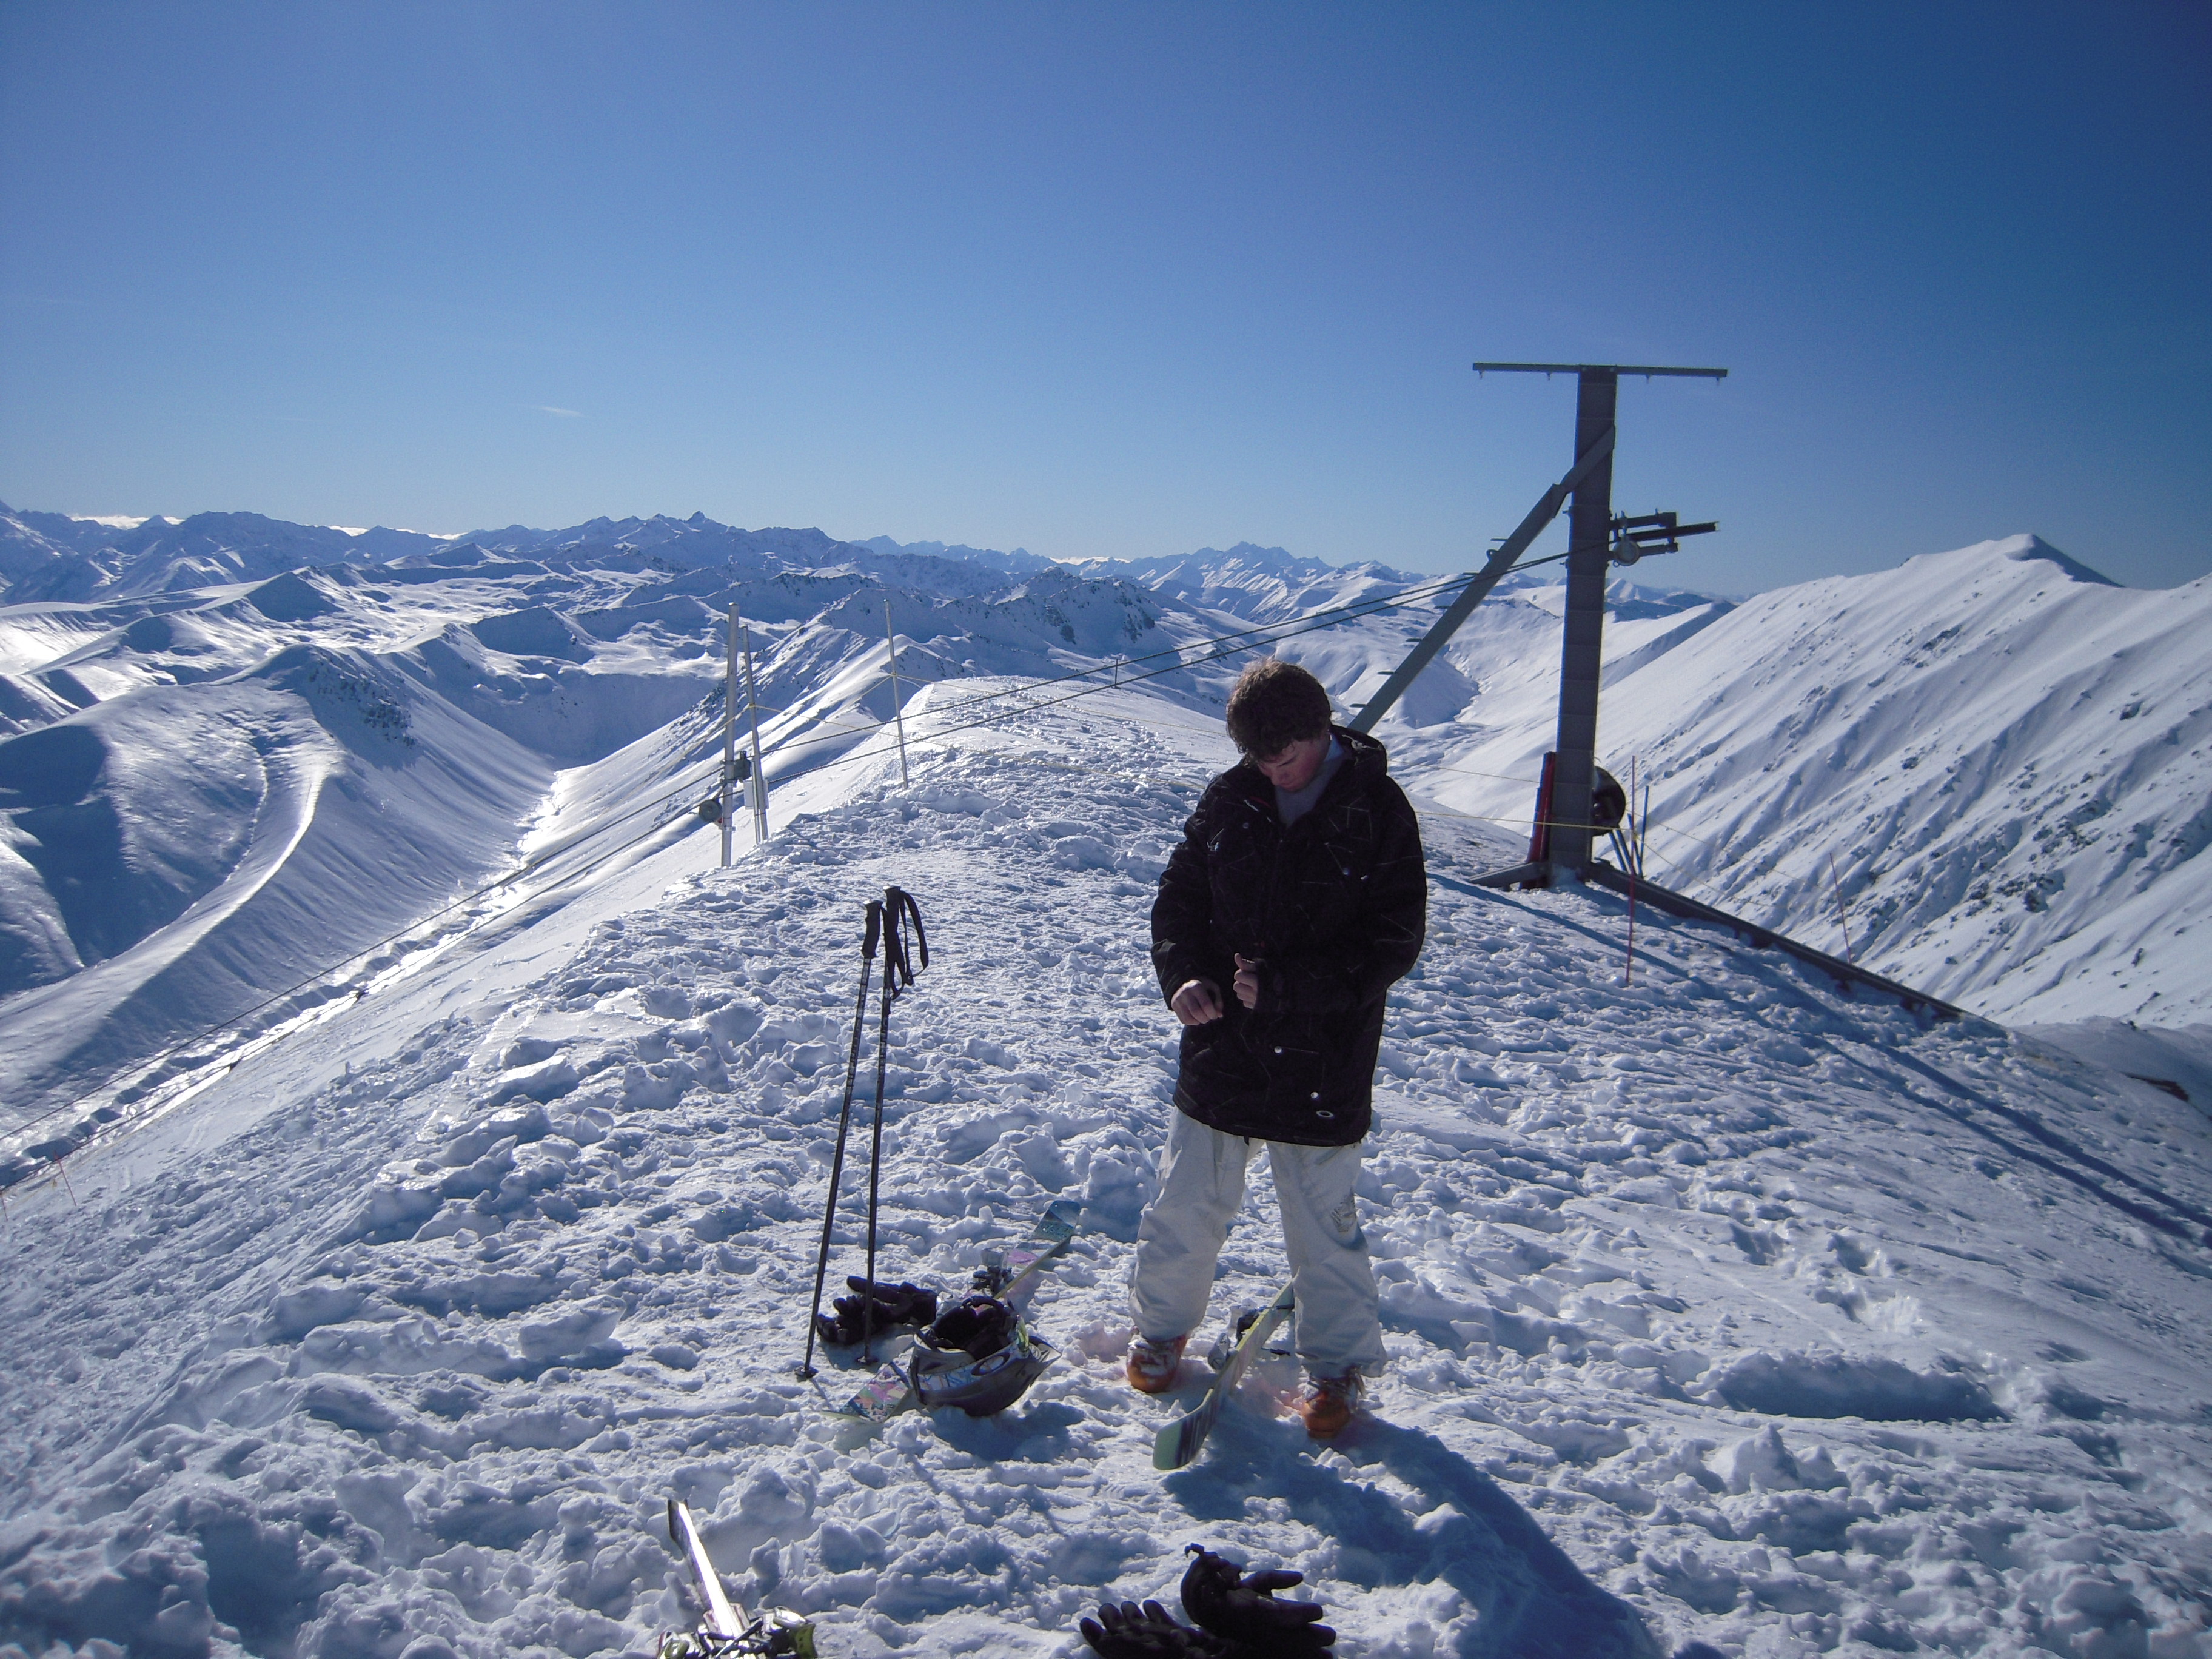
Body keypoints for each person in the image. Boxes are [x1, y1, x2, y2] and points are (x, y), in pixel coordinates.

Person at [1129, 657, 1427, 1437]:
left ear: (1320, 732)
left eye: (1284, 757)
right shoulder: (1233, 798)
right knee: (1185, 1202)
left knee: (1322, 1224)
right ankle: (1160, 1331)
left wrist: (1294, 990)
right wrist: (1183, 975)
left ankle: (1336, 1369)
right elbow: (1180, 898)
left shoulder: (1378, 811)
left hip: (1323, 1055)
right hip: (1222, 1043)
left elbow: (1394, 940)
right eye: (1258, 757)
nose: (1272, 771)